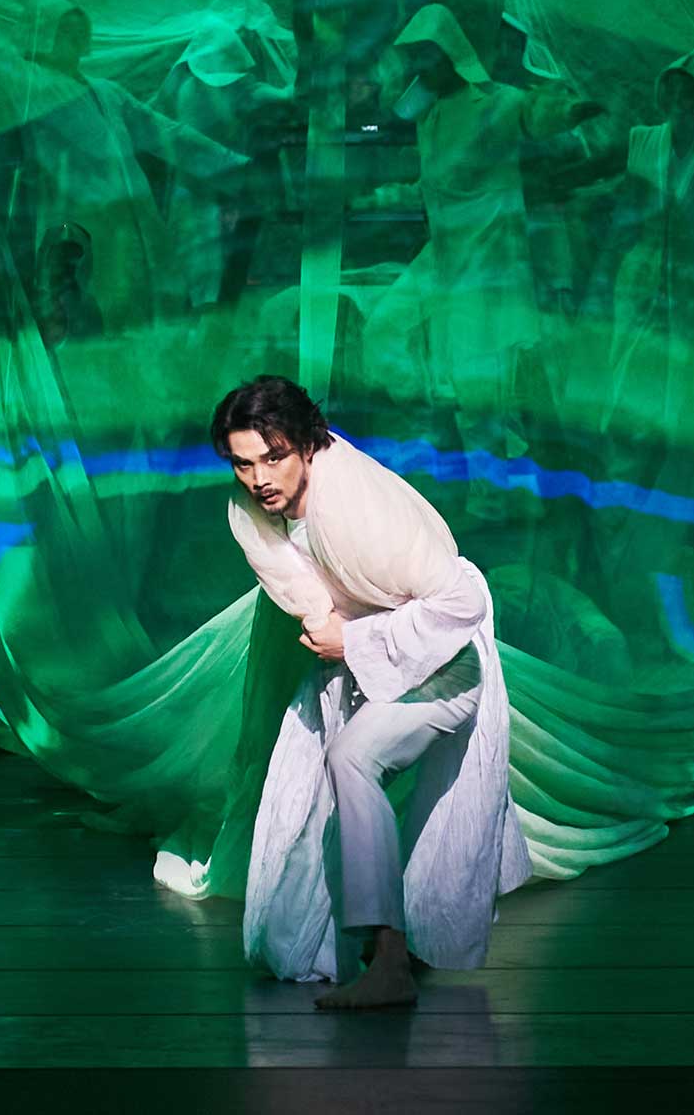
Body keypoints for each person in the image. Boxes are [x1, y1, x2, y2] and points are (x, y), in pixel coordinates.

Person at [211, 373, 530, 1008]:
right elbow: (300, 585)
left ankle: (389, 962)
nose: (259, 478)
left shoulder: (356, 509)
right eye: (244, 464)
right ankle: (383, 948)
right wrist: (336, 635)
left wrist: (352, 640)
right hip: (366, 663)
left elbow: (462, 602)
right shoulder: (252, 507)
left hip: (445, 666)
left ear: (306, 444)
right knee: (319, 786)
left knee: (352, 758)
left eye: (274, 457)